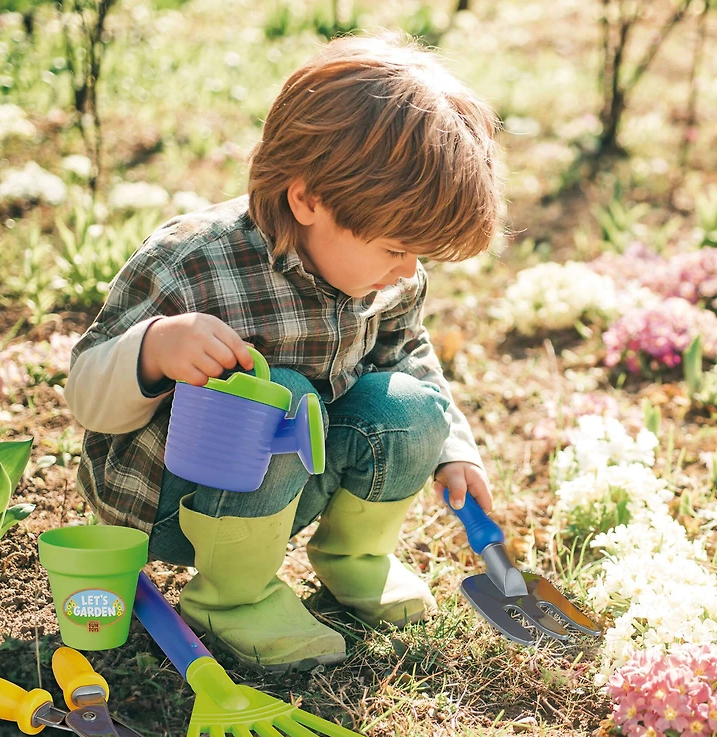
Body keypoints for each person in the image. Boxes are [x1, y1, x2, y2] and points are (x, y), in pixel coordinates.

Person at [64, 33, 502, 672]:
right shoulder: (193, 265)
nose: (407, 271)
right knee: (283, 402)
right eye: (394, 248)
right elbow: (84, 394)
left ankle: (353, 558)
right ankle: (230, 598)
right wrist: (156, 350)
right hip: (169, 504)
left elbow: (407, 351)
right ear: (308, 199)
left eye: (419, 255)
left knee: (411, 403)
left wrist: (452, 447)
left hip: (286, 493)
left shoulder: (385, 276)